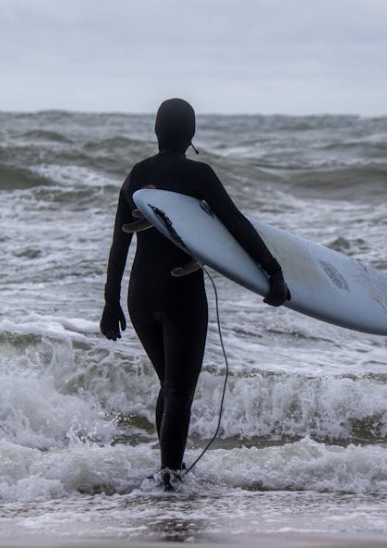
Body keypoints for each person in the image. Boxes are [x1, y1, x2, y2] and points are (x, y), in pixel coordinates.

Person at [100, 98, 289, 490]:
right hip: (180, 291)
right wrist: (272, 271)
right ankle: (170, 477)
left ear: (156, 132)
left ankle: (169, 469)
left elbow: (119, 244)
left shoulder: (136, 175)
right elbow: (234, 223)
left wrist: (110, 302)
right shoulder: (197, 174)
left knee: (169, 384)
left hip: (140, 295)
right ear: (191, 134)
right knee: (179, 390)